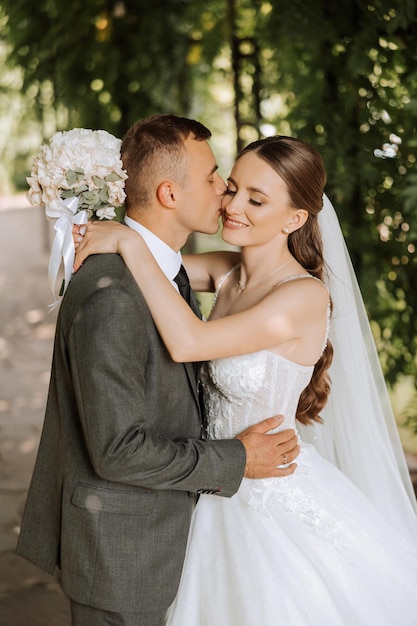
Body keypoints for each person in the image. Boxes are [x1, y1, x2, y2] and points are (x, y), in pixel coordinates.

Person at [75, 135, 417, 625]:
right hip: (211, 479)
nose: (232, 206)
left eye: (257, 200)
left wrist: (125, 240)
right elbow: (151, 269)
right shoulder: (227, 273)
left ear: (295, 218)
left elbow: (187, 342)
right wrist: (102, 228)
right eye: (231, 188)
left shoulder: (302, 297)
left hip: (266, 492)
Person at [16, 115, 302, 626]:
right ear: (170, 194)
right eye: (215, 177)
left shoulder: (164, 268)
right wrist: (238, 458)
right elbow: (118, 452)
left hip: (175, 535)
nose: (225, 193)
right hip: (124, 553)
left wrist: (125, 238)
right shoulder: (115, 297)